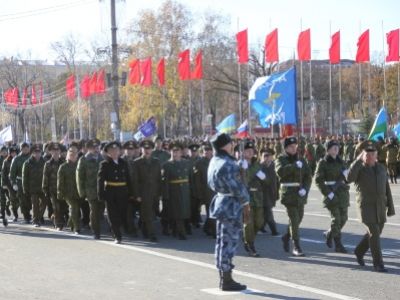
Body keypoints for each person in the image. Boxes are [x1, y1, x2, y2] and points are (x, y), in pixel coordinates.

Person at [208, 133, 249, 291]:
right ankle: (226, 279)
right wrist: (246, 200)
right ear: (225, 145)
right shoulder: (227, 164)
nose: (233, 145)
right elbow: (237, 187)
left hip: (221, 202)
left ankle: (224, 276)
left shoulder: (215, 160)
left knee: (221, 241)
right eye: (231, 143)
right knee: (229, 242)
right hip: (232, 206)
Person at [346, 141, 396, 272]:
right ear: (363, 155)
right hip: (366, 207)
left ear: (377, 155)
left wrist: (390, 207)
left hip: (380, 207)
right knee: (374, 233)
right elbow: (349, 178)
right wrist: (357, 160)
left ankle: (359, 251)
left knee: (375, 233)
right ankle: (378, 263)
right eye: (366, 154)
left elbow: (387, 189)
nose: (370, 156)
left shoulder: (381, 168)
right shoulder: (359, 169)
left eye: (372, 154)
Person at [275, 136, 312, 256]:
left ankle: (286, 236)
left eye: (295, 146)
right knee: (294, 219)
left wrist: (305, 189)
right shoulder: (281, 159)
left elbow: (308, 177)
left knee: (299, 218)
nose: (294, 148)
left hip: (300, 194)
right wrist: (294, 166)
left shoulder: (301, 159)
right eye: (291, 147)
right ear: (285, 148)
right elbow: (280, 172)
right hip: (288, 193)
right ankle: (296, 245)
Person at [315, 140, 349, 253]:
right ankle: (338, 245)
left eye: (337, 147)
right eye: (333, 147)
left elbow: (347, 177)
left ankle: (329, 233)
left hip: (342, 194)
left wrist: (347, 175)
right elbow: (318, 180)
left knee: (344, 219)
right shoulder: (323, 163)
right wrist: (327, 193)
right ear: (328, 150)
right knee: (336, 219)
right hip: (331, 193)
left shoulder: (341, 161)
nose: (336, 149)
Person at [98, 141, 133, 244]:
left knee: (122, 214)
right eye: (111, 150)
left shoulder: (123, 163)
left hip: (122, 192)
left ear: (119, 151)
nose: (114, 152)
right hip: (110, 192)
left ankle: (118, 230)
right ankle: (117, 236)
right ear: (107, 152)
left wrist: (131, 192)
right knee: (112, 215)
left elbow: (128, 179)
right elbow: (100, 180)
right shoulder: (104, 164)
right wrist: (101, 193)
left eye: (116, 150)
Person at [132, 140, 162, 242]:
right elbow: (135, 181)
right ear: (141, 149)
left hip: (155, 192)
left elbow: (159, 178)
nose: (147, 150)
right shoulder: (137, 162)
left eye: (149, 149)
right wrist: (137, 195)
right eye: (145, 149)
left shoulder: (156, 162)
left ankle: (144, 229)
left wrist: (159, 193)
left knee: (150, 212)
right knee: (148, 214)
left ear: (152, 149)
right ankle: (151, 234)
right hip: (143, 192)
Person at [240, 140, 265, 257]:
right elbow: (244, 181)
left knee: (259, 223)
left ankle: (248, 239)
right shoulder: (239, 165)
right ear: (243, 152)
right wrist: (245, 170)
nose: (250, 153)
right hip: (246, 198)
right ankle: (250, 245)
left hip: (258, 197)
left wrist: (263, 177)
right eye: (247, 151)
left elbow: (267, 181)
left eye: (251, 151)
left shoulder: (257, 164)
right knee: (248, 223)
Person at [162, 142, 191, 240]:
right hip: (174, 191)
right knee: (177, 212)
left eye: (177, 151)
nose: (175, 153)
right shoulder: (167, 165)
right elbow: (165, 182)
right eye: (173, 151)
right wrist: (165, 195)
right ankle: (181, 232)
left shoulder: (186, 163)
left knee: (183, 212)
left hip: (185, 191)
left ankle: (175, 229)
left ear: (181, 152)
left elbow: (190, 178)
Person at [77, 138, 104, 239]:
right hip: (90, 191)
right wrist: (82, 192)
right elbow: (80, 178)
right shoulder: (83, 160)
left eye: (97, 147)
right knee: (94, 210)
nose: (96, 149)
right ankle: (95, 231)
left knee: (100, 210)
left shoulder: (102, 159)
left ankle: (93, 224)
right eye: (93, 147)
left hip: (101, 190)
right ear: (88, 149)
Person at [192, 142, 216, 237]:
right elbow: (197, 181)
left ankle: (207, 227)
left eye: (209, 150)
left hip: (215, 190)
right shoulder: (199, 163)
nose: (207, 152)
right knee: (211, 211)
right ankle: (214, 232)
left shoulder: (215, 161)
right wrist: (199, 193)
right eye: (205, 150)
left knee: (213, 211)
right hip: (206, 191)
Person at [58, 146, 81, 234]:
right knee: (74, 208)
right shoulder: (63, 167)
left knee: (76, 209)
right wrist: (60, 192)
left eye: (74, 153)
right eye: (71, 153)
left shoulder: (79, 165)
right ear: (68, 155)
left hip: (78, 192)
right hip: (68, 193)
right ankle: (77, 228)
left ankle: (70, 223)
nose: (72, 155)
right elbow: (60, 182)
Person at [42, 142, 66, 230]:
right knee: (56, 207)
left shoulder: (63, 162)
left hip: (62, 189)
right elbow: (45, 177)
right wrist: (45, 190)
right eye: (53, 150)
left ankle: (54, 217)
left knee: (63, 207)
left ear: (60, 151)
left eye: (57, 150)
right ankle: (58, 223)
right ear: (51, 152)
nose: (56, 152)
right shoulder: (48, 164)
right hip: (52, 189)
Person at [22, 144, 46, 227]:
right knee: (35, 204)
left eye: (39, 152)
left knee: (44, 203)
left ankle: (38, 217)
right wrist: (25, 189)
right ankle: (35, 220)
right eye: (35, 152)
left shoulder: (44, 162)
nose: (37, 154)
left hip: (43, 187)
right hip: (32, 188)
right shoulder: (27, 163)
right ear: (32, 153)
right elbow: (24, 177)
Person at [259, 148, 279, 236]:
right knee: (267, 212)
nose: (266, 158)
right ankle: (274, 230)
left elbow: (277, 181)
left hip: (272, 192)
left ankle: (261, 227)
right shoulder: (259, 167)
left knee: (265, 211)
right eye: (265, 156)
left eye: (269, 155)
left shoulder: (274, 166)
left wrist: (277, 192)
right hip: (262, 193)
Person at [10, 142, 31, 223]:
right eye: (24, 148)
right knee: (23, 200)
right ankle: (26, 216)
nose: (26, 150)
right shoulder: (16, 159)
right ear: (21, 149)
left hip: (31, 182)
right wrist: (14, 183)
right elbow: (12, 174)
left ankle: (30, 213)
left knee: (30, 199)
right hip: (20, 182)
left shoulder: (31, 157)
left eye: (27, 148)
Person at [1, 146, 19, 222]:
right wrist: (4, 184)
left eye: (15, 152)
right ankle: (15, 215)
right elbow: (4, 173)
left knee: (19, 200)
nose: (14, 154)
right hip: (9, 184)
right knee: (13, 200)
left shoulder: (19, 160)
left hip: (19, 183)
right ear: (10, 153)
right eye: (12, 152)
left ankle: (7, 206)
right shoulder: (6, 161)